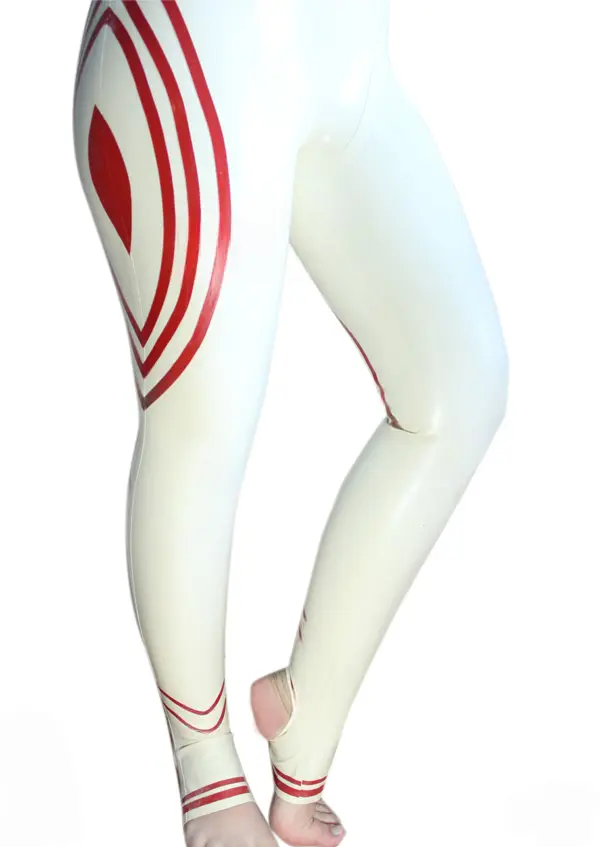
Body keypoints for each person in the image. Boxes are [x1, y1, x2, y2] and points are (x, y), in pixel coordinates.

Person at [72, 2, 509, 845]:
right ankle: (206, 768)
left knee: (462, 384)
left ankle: (305, 723)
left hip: (346, 55)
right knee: (204, 424)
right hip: (190, 42)